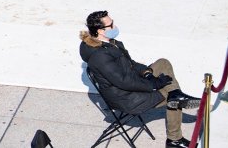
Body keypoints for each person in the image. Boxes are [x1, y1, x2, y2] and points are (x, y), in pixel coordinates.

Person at [80, 10, 200, 147]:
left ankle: (176, 94)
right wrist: (153, 85)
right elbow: (124, 82)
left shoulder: (110, 43)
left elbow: (131, 64)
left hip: (131, 82)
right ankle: (174, 139)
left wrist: (147, 73)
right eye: (111, 24)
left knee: (163, 63)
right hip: (127, 97)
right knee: (171, 97)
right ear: (100, 31)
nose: (114, 26)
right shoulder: (100, 56)